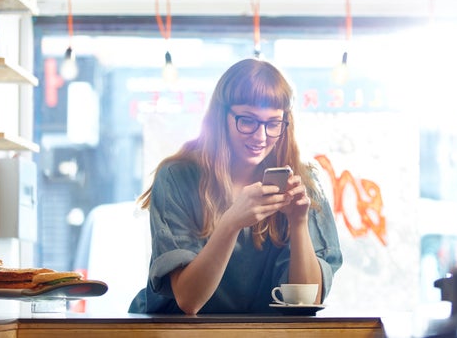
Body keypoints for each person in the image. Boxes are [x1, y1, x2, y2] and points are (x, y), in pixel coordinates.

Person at [128, 58, 342, 315]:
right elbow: (189, 300)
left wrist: (298, 224)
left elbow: (305, 304)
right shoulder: (177, 178)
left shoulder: (304, 184)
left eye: (273, 123)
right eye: (248, 121)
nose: (261, 136)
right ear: (222, 117)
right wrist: (231, 222)